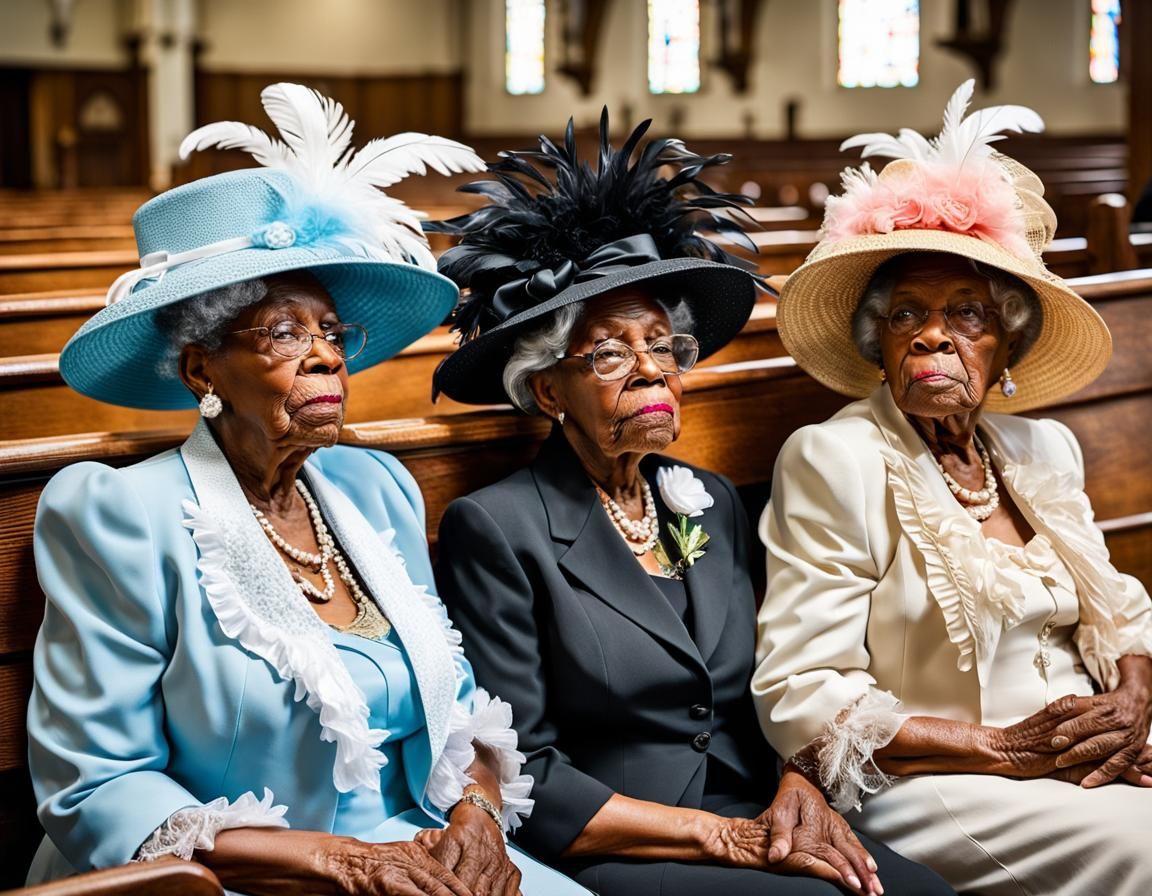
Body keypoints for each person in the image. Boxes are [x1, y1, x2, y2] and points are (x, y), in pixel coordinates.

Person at [26, 82, 590, 896]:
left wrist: (475, 814)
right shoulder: (117, 515)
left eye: (332, 332)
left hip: (413, 851)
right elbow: (99, 788)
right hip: (233, 876)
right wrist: (340, 862)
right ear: (200, 368)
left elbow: (457, 706)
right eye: (285, 332)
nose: (327, 355)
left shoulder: (377, 487)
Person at [429, 110, 955, 896]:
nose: (651, 370)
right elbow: (524, 766)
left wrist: (798, 787)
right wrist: (717, 835)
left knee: (923, 894)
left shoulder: (705, 499)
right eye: (609, 352)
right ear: (547, 389)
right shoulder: (499, 528)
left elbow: (766, 692)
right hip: (623, 839)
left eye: (664, 347)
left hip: (753, 805)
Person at [752, 80, 1152, 895]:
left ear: (1006, 345)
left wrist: (1135, 698)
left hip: (1081, 755)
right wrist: (1009, 748)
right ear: (878, 342)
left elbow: (1121, 609)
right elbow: (803, 691)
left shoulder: (1044, 448)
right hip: (938, 778)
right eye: (907, 315)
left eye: (966, 313)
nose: (933, 333)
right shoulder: (834, 459)